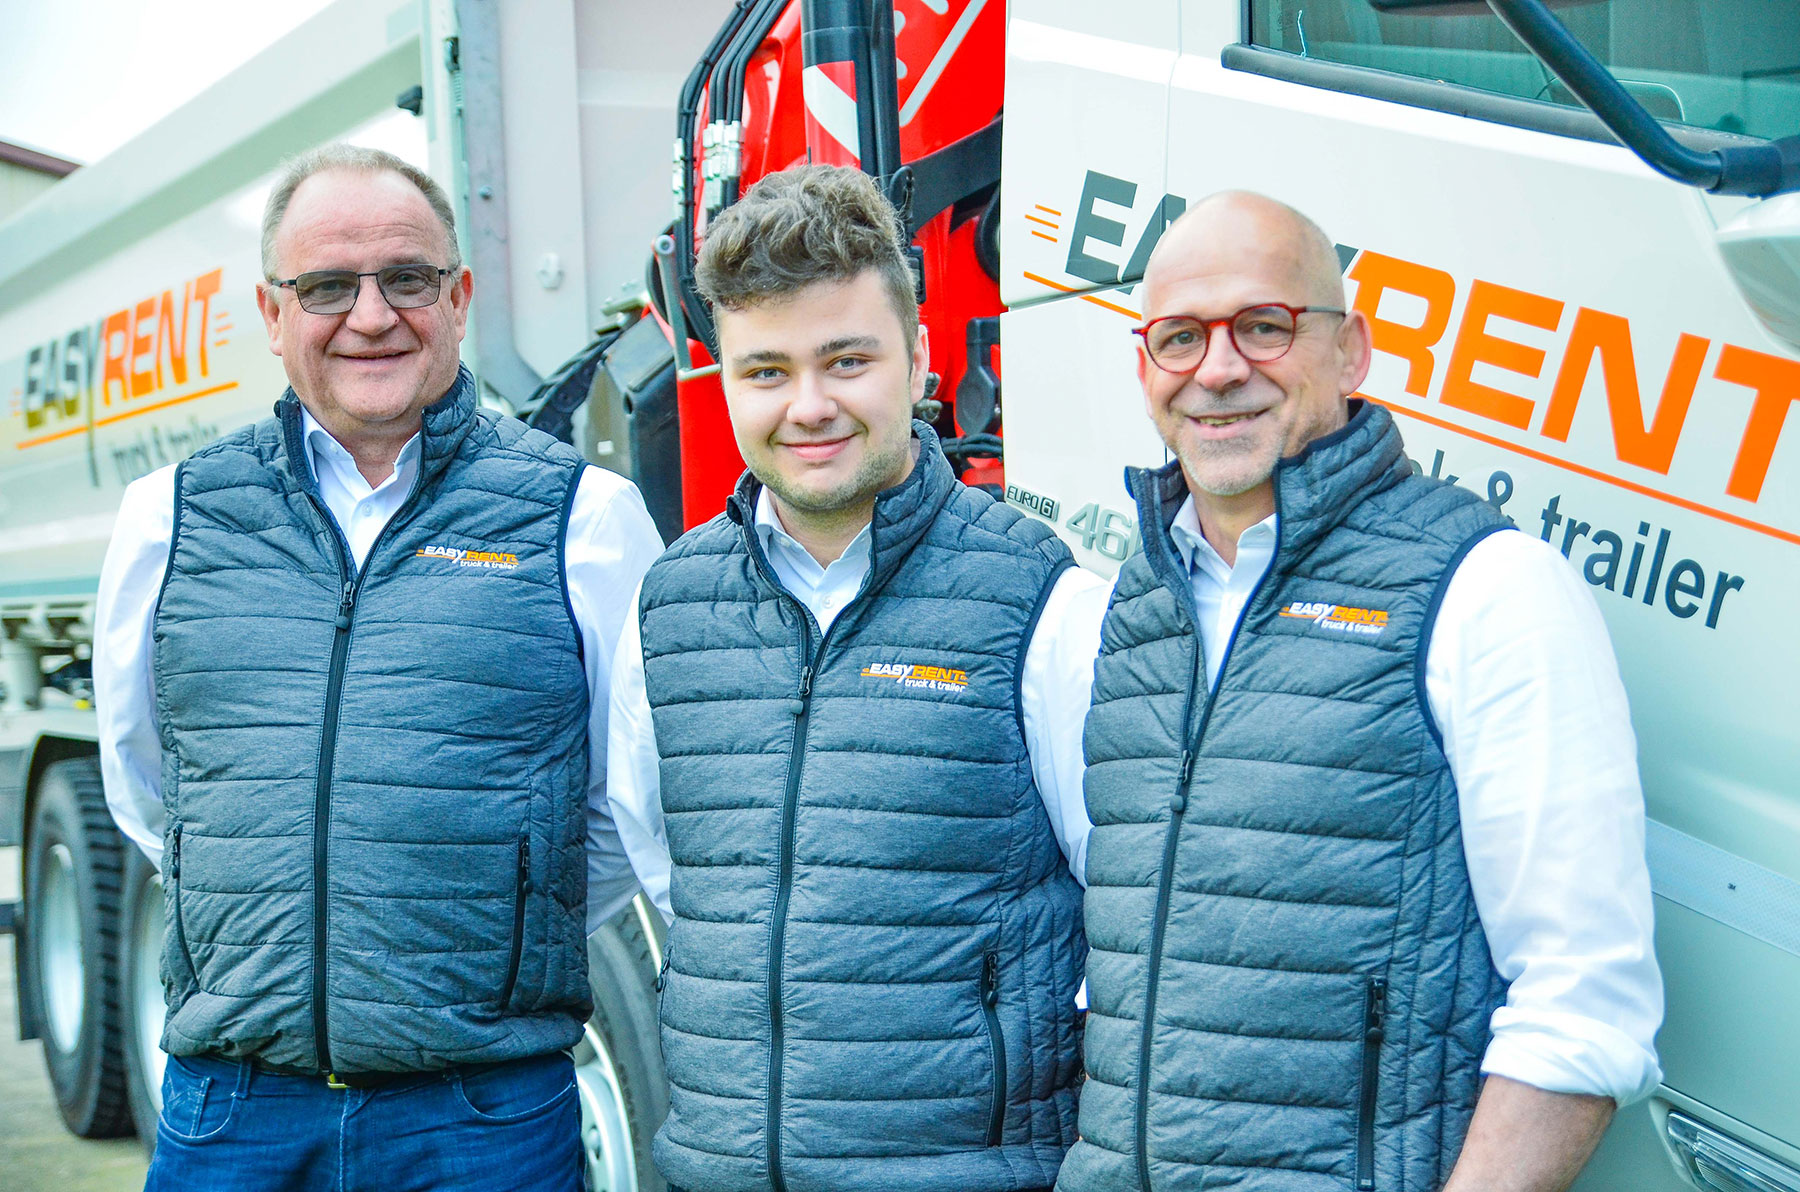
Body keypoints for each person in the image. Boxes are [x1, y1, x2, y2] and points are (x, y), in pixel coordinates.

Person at [1058, 192, 1663, 1192]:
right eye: (1179, 338)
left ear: (1352, 353)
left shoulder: (1488, 588)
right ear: (1145, 369)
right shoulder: (1135, 607)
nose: (1217, 369)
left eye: (1264, 326)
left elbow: (1587, 1003)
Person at [94, 143, 663, 1191]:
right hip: (234, 1115)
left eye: (406, 278)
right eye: (326, 286)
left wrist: (496, 922)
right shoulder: (168, 521)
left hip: (485, 1117)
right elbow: (146, 784)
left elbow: (629, 807)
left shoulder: (582, 519)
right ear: (272, 314)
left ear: (459, 298)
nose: (370, 315)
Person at [606, 164, 1109, 1192]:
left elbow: (1128, 921)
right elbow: (674, 875)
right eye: (767, 371)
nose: (810, 405)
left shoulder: (1042, 602)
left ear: (918, 355)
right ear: (722, 375)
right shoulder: (668, 610)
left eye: (847, 360)